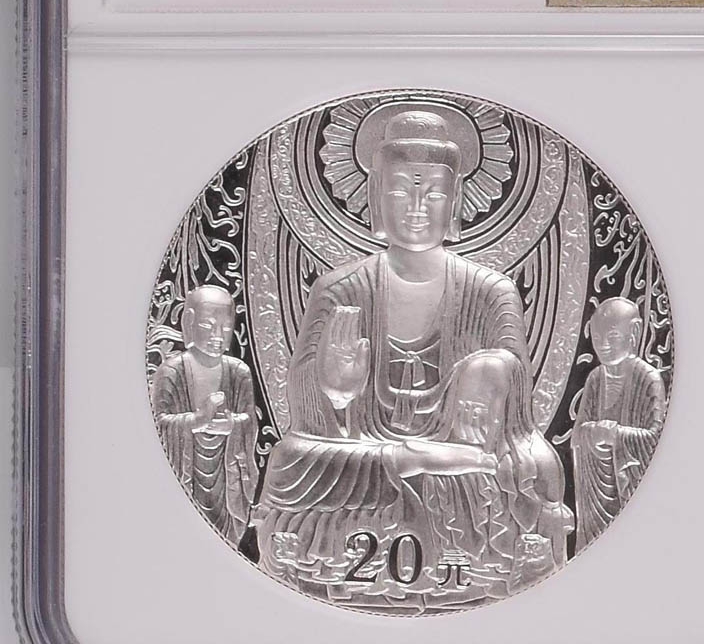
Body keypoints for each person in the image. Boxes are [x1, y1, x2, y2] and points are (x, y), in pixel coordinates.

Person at [254, 108, 570, 607]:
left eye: (434, 193)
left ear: (455, 200)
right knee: (290, 459)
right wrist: (337, 394)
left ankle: (436, 485)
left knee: (533, 466)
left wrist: (485, 380)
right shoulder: (339, 288)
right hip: (362, 452)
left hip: (465, 448)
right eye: (401, 191)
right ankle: (417, 472)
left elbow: (516, 407)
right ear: (376, 196)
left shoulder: (491, 291)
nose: (418, 207)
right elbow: (306, 410)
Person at [152, 285, 258, 545]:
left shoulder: (238, 372)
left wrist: (232, 425)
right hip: (186, 474)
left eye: (225, 327)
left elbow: (250, 421)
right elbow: (159, 424)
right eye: (207, 325)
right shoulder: (172, 371)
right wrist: (197, 421)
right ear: (189, 322)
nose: (217, 335)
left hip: (227, 476)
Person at [572, 297, 667, 551]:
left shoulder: (648, 378)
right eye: (597, 337)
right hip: (597, 495)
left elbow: (657, 438)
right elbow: (577, 435)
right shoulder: (595, 379)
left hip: (630, 486)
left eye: (612, 337)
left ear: (633, 332)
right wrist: (592, 432)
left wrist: (615, 435)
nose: (603, 345)